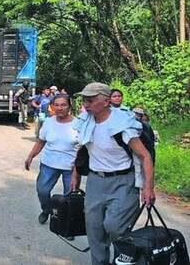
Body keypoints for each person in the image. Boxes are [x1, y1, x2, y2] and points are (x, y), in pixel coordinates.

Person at [71, 83, 155, 265]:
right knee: (94, 230)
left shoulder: (122, 123)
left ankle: (126, 258)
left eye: (91, 100)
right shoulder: (86, 122)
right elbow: (82, 150)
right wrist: (75, 175)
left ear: (106, 101)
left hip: (123, 182)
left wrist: (148, 187)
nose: (86, 104)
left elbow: (145, 155)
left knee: (115, 226)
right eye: (84, 99)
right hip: (95, 181)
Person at [25, 95, 78, 228]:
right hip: (49, 164)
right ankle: (47, 209)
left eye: (63, 105)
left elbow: (83, 150)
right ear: (52, 107)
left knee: (69, 197)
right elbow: (41, 141)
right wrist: (31, 156)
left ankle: (65, 225)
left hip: (70, 167)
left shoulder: (78, 124)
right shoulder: (49, 122)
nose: (60, 108)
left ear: (69, 106)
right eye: (57, 105)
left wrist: (77, 172)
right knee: (42, 190)